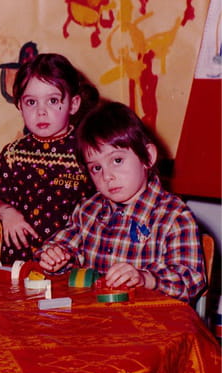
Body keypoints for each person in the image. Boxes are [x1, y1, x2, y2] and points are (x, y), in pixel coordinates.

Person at [38, 101, 206, 302]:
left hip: (149, 318)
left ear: (148, 157)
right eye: (96, 168)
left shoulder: (174, 216)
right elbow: (60, 247)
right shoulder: (88, 210)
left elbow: (190, 280)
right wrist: (55, 257)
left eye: (117, 160)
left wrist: (146, 278)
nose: (107, 176)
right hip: (94, 316)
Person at [0, 53, 99, 264]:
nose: (41, 112)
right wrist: (6, 213)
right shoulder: (12, 153)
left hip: (72, 258)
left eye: (53, 101)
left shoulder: (88, 152)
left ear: (73, 104)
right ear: (20, 106)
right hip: (20, 261)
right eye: (31, 102)